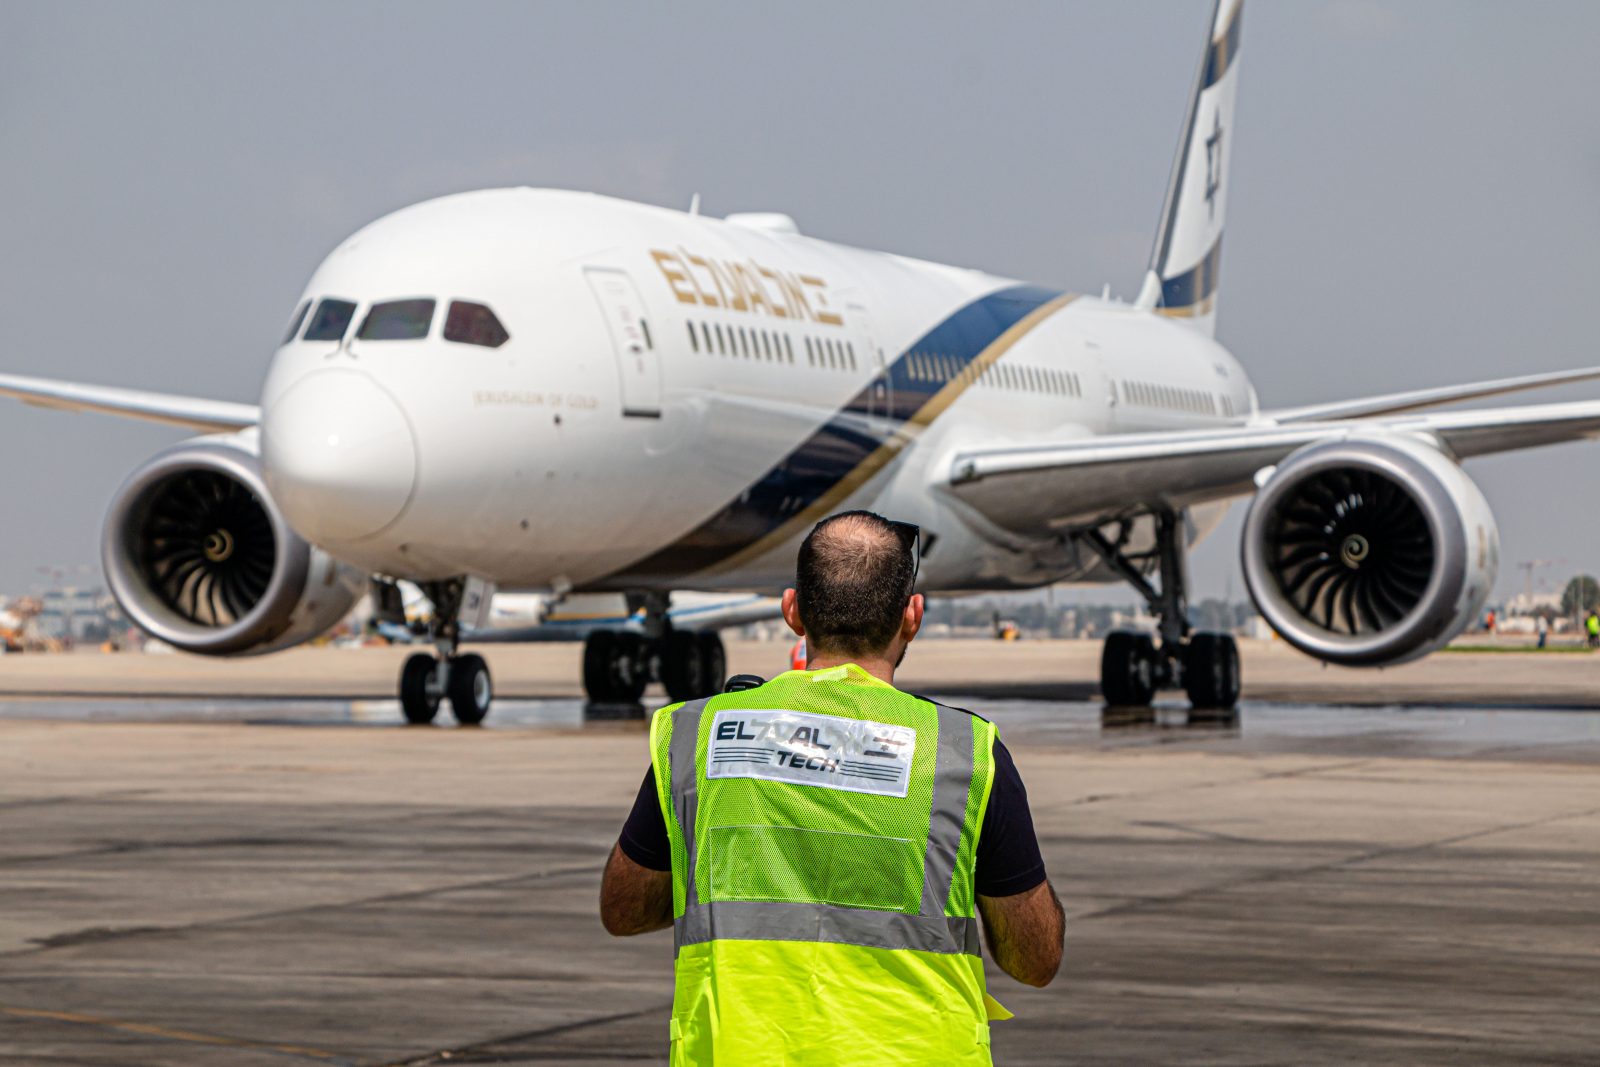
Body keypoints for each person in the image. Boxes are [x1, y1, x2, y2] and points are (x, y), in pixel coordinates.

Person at [600, 510, 1063, 1065]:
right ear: (911, 617)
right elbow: (1035, 961)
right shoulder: (963, 751)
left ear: (792, 611)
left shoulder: (703, 735)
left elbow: (623, 910)